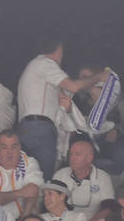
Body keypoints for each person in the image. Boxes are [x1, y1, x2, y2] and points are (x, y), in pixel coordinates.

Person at [15, 40, 104, 178]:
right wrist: (99, 76)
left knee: (32, 176)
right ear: (59, 50)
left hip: (29, 128)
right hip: (40, 128)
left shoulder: (36, 69)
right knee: (43, 178)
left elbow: (68, 97)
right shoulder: (44, 63)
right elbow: (73, 86)